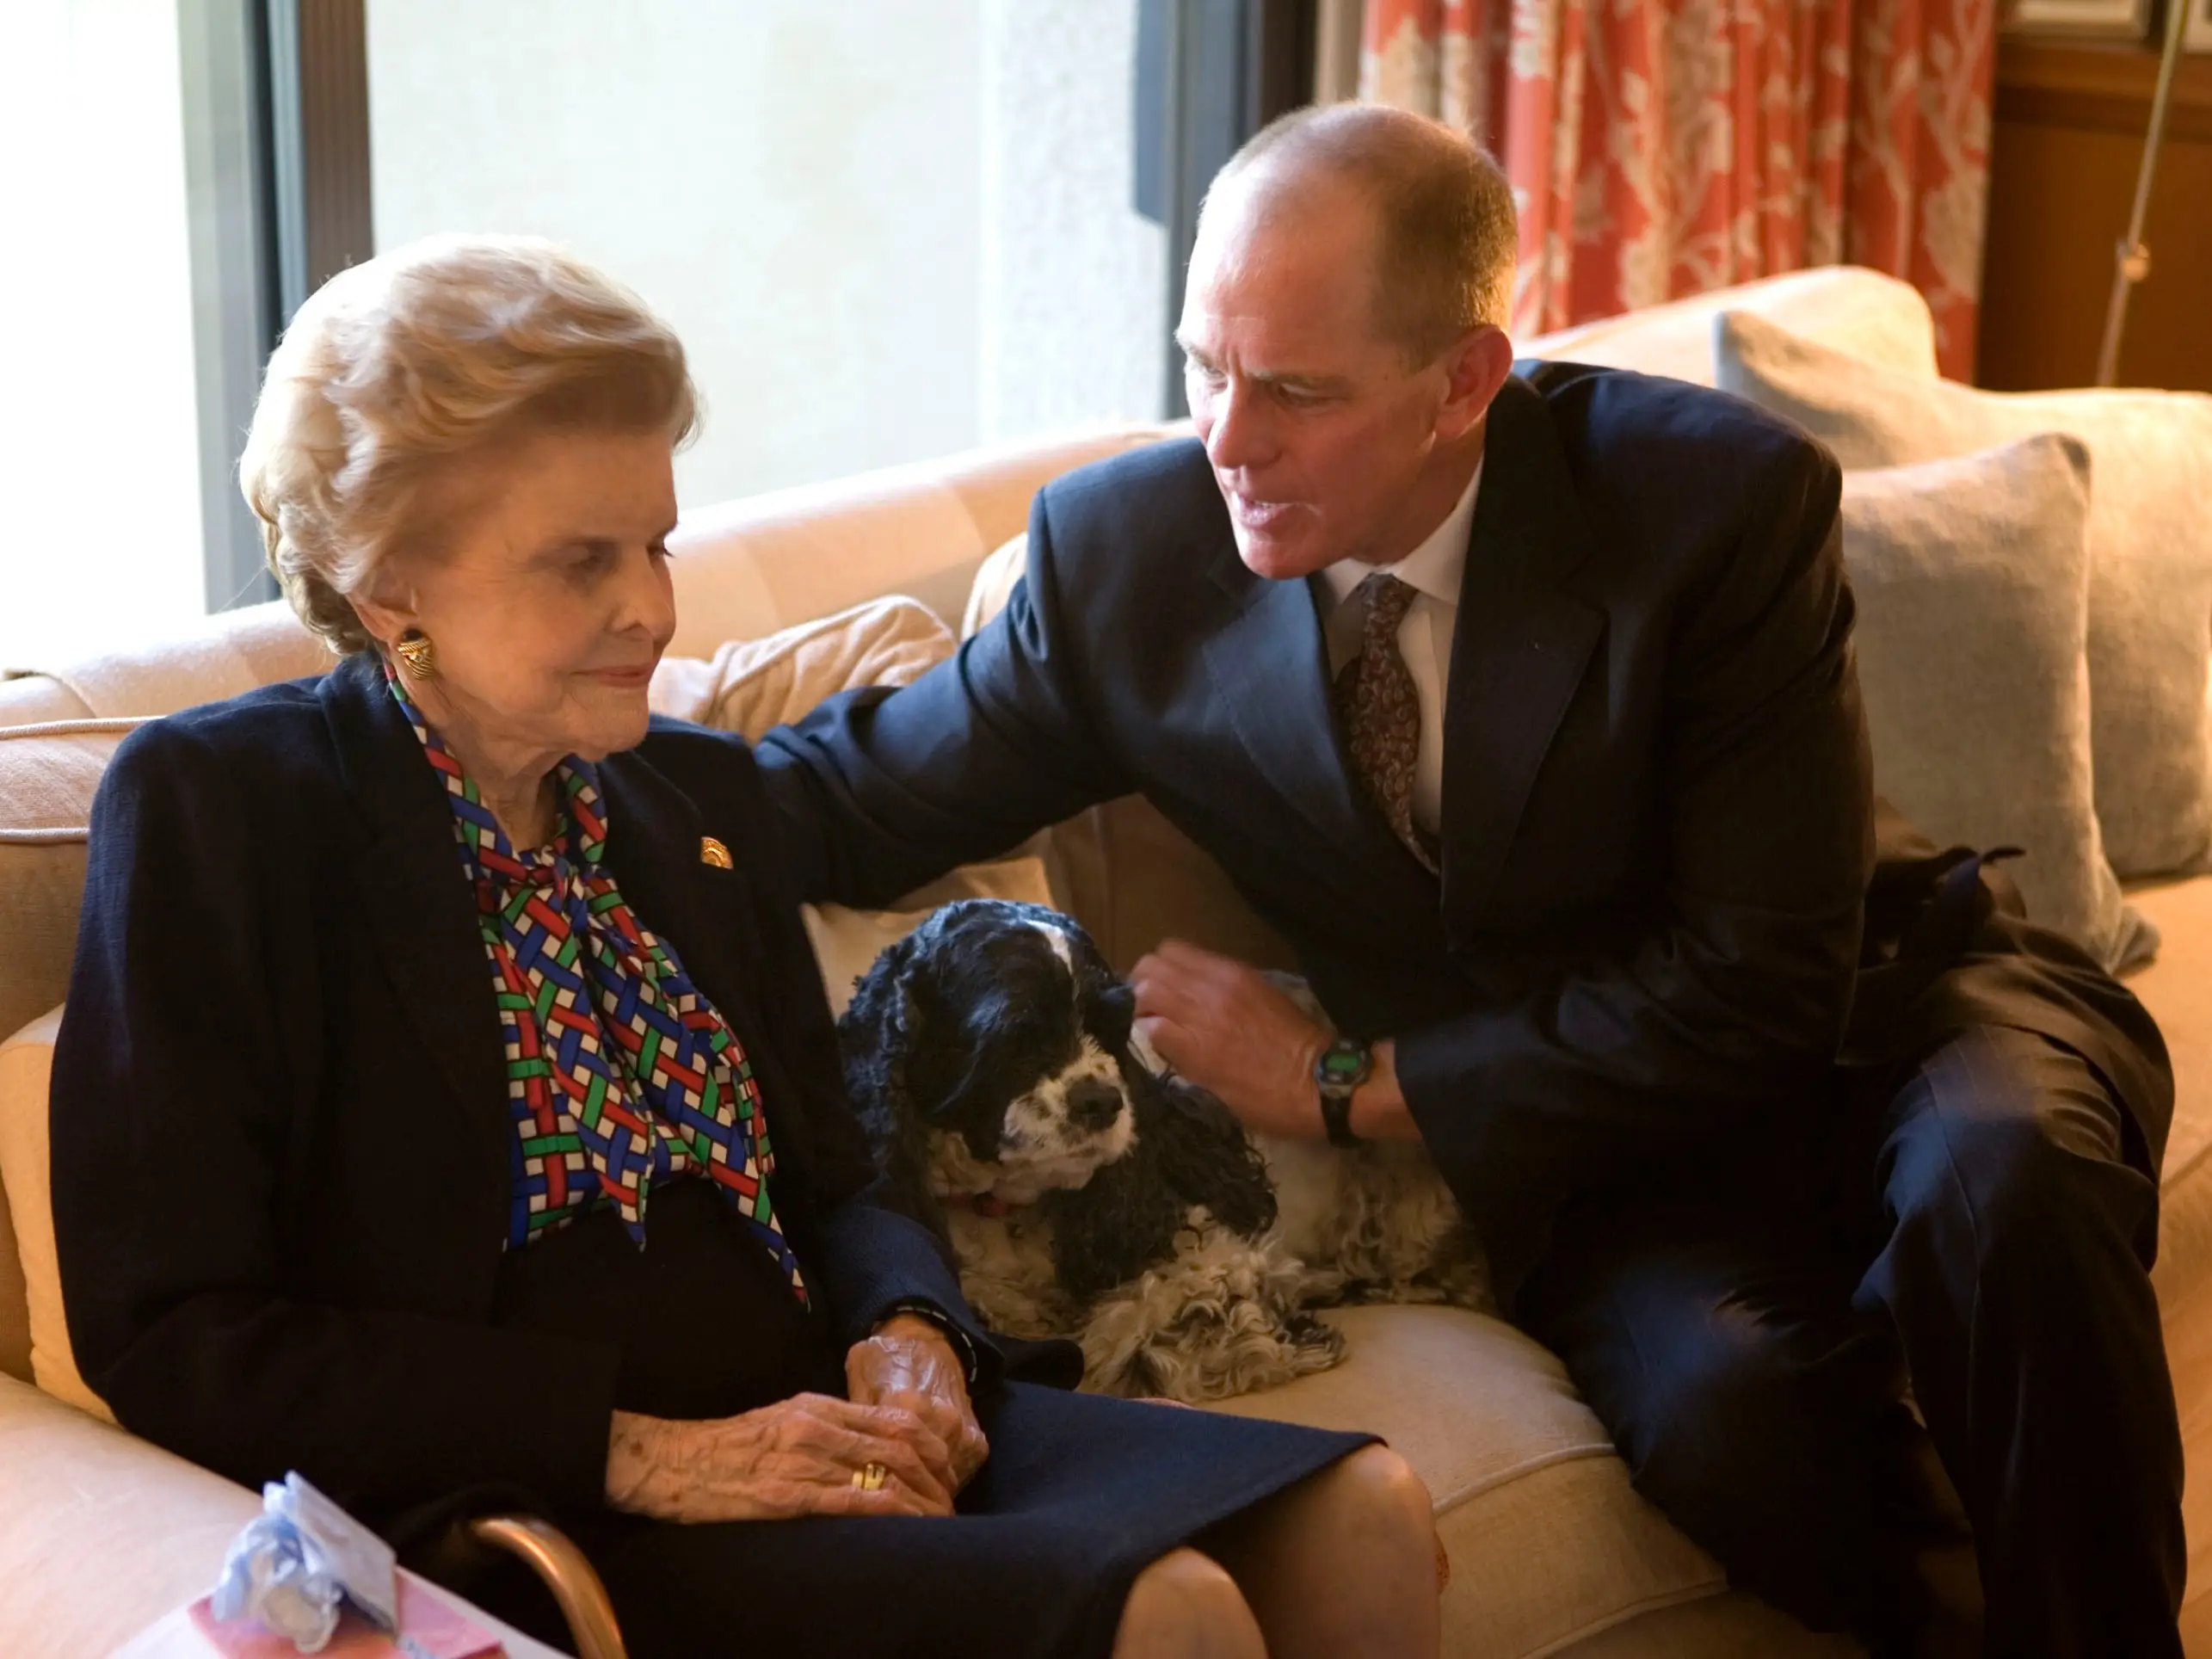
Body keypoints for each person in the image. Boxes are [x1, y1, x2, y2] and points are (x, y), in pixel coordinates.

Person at [754, 105, 2185, 1656]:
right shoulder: (1128, 564)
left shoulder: (1707, 507)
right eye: (1203, 368)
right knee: (1721, 1416)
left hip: (1895, 1005)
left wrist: (1342, 1078)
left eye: (1296, 389)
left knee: (2007, 1183)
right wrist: (508, 757)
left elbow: (1761, 979)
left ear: (1464, 383)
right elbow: (845, 792)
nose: (1230, 438)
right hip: (1600, 1159)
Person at [47, 234, 1446, 1659]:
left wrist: (910, 1331)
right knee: (1170, 1611)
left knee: (1365, 1511)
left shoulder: (693, 802)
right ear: (391, 578)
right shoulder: (226, 812)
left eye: (653, 544)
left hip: (832, 1425)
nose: (650, 608)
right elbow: (177, 1333)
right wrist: (644, 1452)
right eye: (580, 561)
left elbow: (836, 1165)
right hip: (563, 1505)